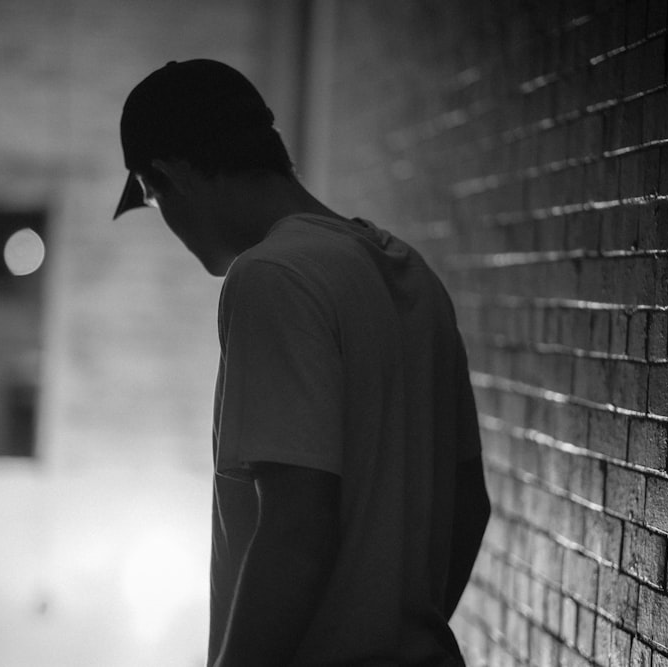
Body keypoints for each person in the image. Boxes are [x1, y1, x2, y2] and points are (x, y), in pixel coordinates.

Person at [113, 59, 490, 667]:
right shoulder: (410, 271)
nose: (171, 227)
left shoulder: (272, 277)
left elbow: (296, 530)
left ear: (171, 176)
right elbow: (469, 505)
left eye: (155, 201)